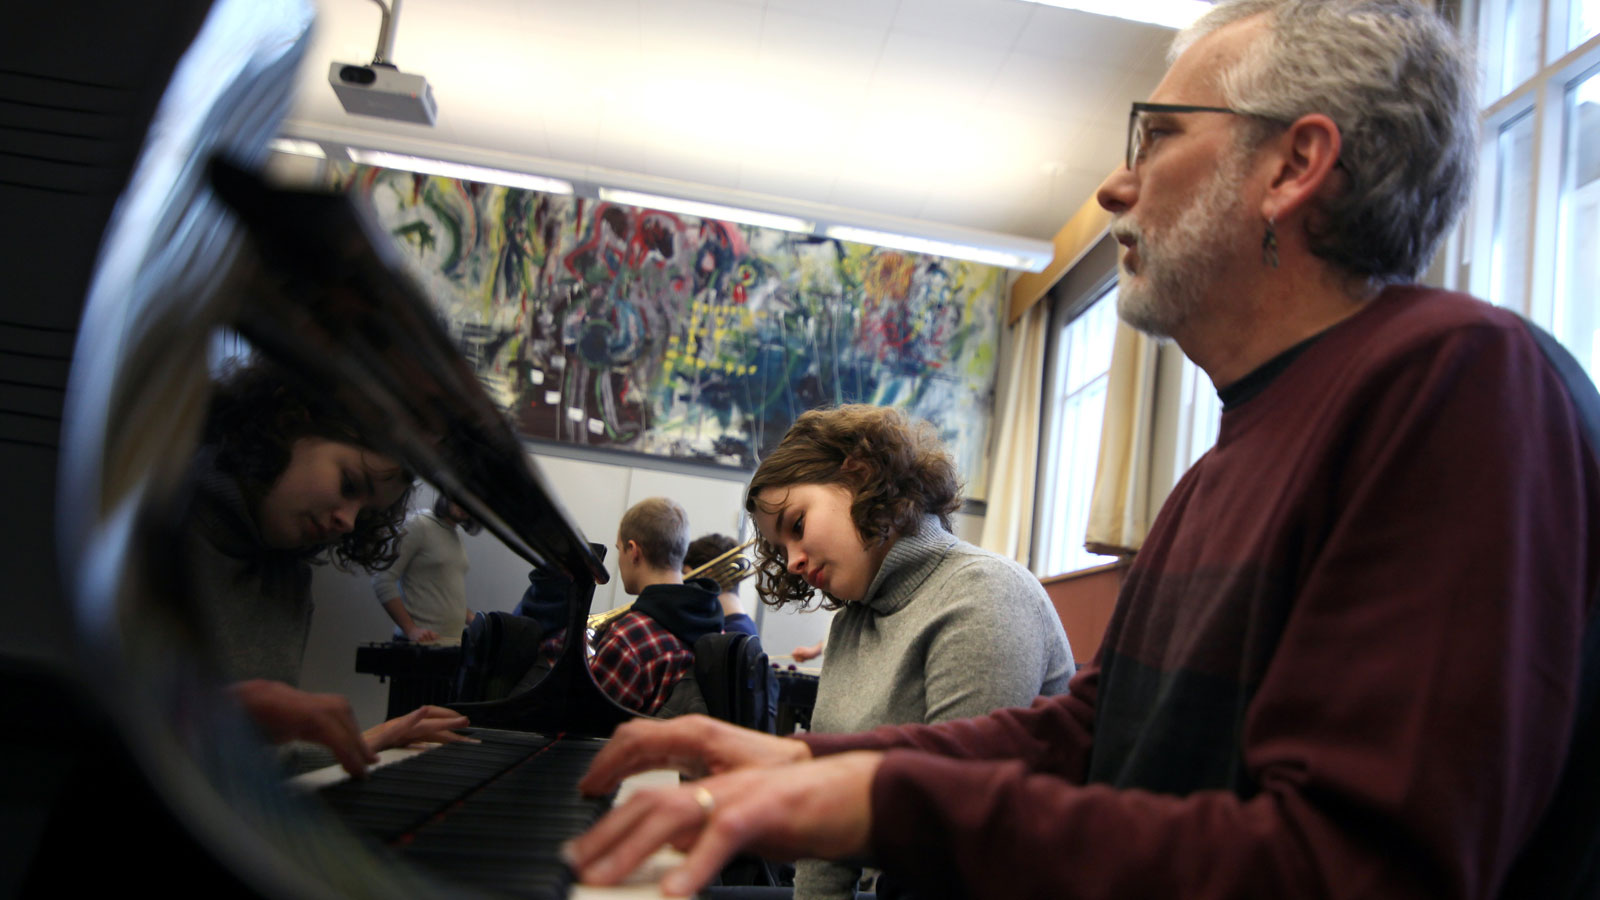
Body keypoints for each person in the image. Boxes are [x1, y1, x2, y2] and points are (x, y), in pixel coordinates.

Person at [564, 2, 1600, 898]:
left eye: (1152, 137)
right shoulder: (1222, 462)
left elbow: (1351, 869)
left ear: (1293, 164)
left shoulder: (1460, 380)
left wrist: (878, 799)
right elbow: (1090, 737)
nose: (1114, 186)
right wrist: (802, 764)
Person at [750, 404, 1076, 899]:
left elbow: (955, 839)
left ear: (858, 475)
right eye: (781, 549)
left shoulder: (984, 594)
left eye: (797, 525)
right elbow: (826, 818)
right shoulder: (851, 623)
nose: (792, 561)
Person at [189, 358, 472, 776]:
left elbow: (268, 765)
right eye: (350, 485)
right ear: (286, 423)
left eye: (366, 509)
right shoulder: (152, 515)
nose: (349, 522)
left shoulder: (288, 575)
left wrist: (371, 741)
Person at [590, 498, 725, 714]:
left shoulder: (628, 638)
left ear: (633, 551)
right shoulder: (717, 628)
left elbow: (585, 722)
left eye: (620, 549)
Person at [372, 491, 481, 644]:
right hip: (417, 647)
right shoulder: (419, 523)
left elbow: (443, 595)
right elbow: (382, 578)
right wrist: (410, 629)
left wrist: (474, 620)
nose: (465, 505)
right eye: (460, 496)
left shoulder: (455, 535)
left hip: (449, 644)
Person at [682, 533, 758, 638]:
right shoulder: (742, 625)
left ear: (708, 576)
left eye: (686, 576)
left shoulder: (731, 634)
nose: (682, 586)